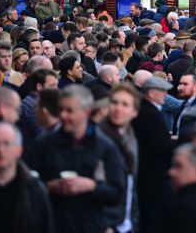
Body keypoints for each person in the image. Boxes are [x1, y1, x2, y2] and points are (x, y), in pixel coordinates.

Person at [26, 85, 125, 233]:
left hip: (89, 225)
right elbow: (26, 184)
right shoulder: (43, 143)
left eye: (69, 111)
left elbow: (117, 192)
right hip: (51, 225)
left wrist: (92, 186)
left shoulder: (105, 146)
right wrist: (49, 186)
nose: (63, 115)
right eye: (61, 110)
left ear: (87, 112)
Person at [132, 77, 175, 233]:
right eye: (162, 91)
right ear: (151, 93)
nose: (165, 95)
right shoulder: (150, 114)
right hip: (152, 176)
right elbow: (159, 146)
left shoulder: (145, 111)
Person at [99, 83, 140, 233]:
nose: (118, 108)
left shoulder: (131, 139)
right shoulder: (98, 139)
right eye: (114, 102)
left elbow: (131, 185)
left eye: (125, 104)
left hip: (126, 224)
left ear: (134, 112)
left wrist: (133, 221)